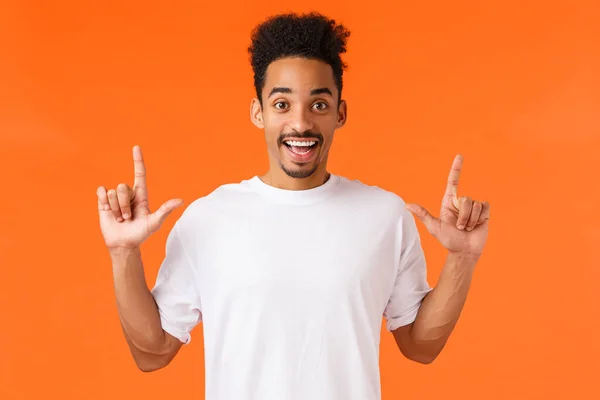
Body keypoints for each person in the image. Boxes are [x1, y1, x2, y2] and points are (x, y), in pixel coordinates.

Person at [96, 11, 490, 400]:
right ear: (258, 112)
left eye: (318, 105)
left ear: (340, 113)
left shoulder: (384, 216)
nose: (300, 123)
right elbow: (152, 353)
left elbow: (420, 347)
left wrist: (461, 259)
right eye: (282, 104)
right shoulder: (208, 219)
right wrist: (122, 251)